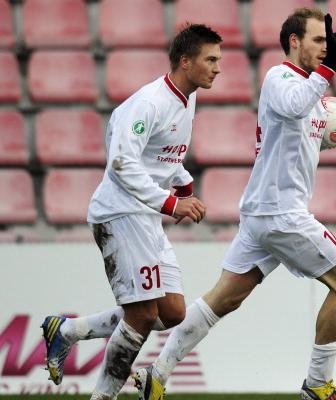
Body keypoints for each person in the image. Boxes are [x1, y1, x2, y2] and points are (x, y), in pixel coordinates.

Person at [133, 7, 336, 400]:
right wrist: (327, 73)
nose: (326, 48)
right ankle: (317, 383)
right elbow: (294, 106)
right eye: (318, 40)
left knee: (223, 299)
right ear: (294, 42)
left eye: (328, 42)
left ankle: (156, 374)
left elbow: (299, 134)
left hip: (263, 212)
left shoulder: (311, 91)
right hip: (281, 212)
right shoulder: (280, 77)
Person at [40, 23, 222, 399]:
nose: (217, 68)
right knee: (141, 314)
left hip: (146, 215)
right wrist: (172, 203)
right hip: (120, 213)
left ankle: (67, 330)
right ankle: (103, 396)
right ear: (185, 61)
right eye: (210, 60)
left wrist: (184, 184)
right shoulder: (149, 102)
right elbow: (122, 162)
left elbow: (164, 154)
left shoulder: (187, 99)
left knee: (172, 312)